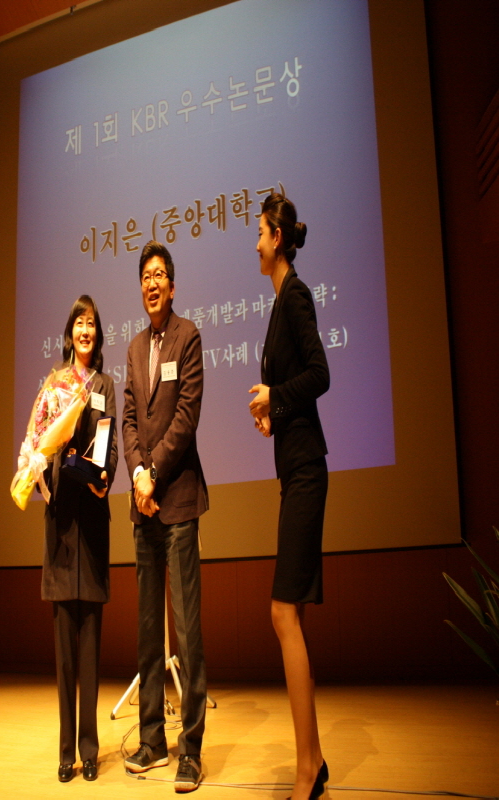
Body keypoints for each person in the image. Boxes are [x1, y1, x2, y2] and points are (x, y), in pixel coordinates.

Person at [248, 194, 330, 800]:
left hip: (305, 471)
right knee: (287, 614)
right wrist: (272, 411)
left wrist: (275, 398)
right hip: (293, 468)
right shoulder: (279, 303)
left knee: (282, 613)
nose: (254, 244)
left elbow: (320, 374)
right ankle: (313, 760)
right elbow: (294, 385)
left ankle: (308, 770)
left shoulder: (295, 294)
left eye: (258, 233)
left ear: (277, 238)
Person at [122, 241, 209, 793]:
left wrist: (153, 472)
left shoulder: (189, 336)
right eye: (145, 276)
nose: (152, 283)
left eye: (160, 276)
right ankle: (152, 739)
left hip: (177, 501)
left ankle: (191, 749)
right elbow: (129, 418)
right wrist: (137, 474)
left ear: (172, 287)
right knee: (149, 629)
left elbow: (186, 416)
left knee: (187, 629)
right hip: (144, 504)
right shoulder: (133, 347)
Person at [39, 295, 118, 783]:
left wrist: (105, 476)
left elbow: (111, 443)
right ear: (69, 333)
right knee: (64, 652)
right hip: (61, 522)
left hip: (92, 519)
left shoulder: (106, 385)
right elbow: (41, 443)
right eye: (79, 323)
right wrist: (45, 461)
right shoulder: (54, 384)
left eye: (91, 323)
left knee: (89, 646)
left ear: (97, 334)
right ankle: (65, 751)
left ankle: (90, 749)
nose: (85, 330)